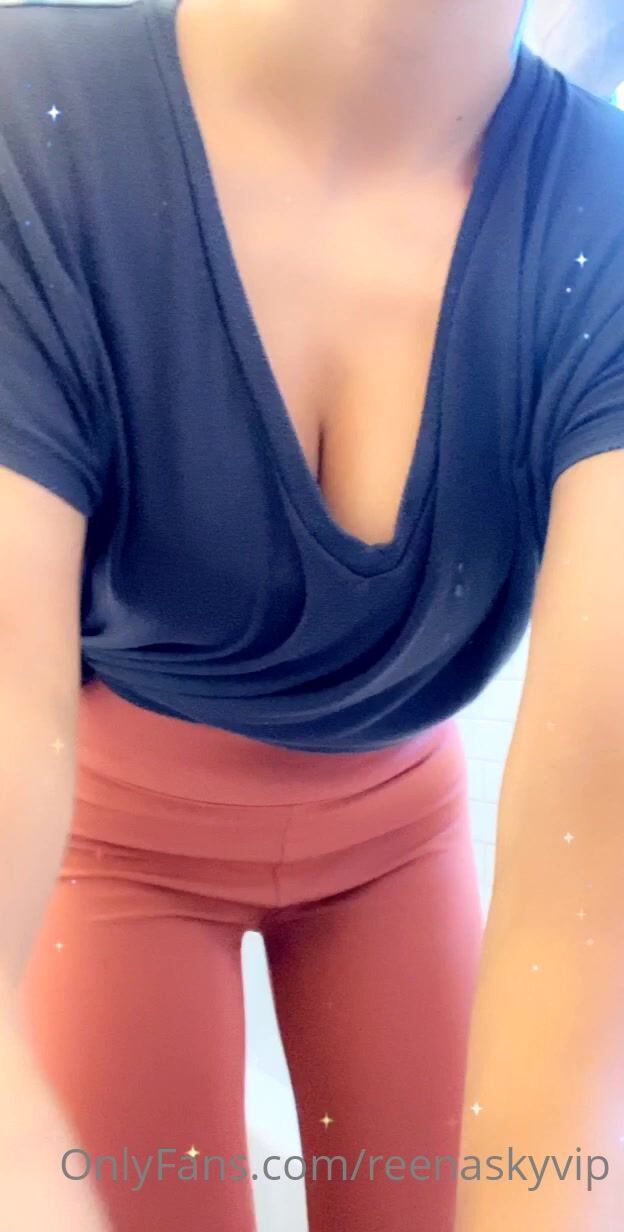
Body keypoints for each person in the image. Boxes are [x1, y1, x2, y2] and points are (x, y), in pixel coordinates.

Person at [0, 0, 623, 1229]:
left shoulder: (599, 214)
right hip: (112, 840)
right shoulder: (38, 116)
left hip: (403, 830)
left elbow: (586, 892)